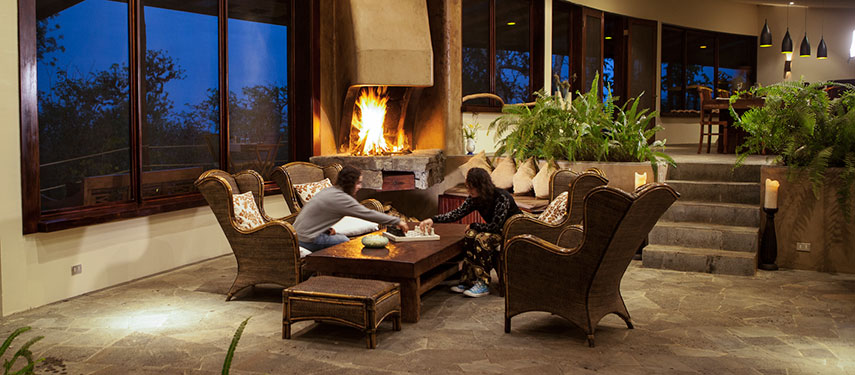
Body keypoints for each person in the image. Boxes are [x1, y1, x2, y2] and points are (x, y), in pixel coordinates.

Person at [418, 167, 521, 297]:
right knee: (470, 234)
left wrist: (473, 225)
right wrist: (432, 220)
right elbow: (456, 214)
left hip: (511, 231)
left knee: (481, 239)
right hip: (495, 231)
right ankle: (468, 279)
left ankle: (483, 283)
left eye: (471, 187)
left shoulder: (501, 198)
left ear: (481, 186)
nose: (468, 191)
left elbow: (495, 226)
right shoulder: (475, 198)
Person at [295, 165, 408, 252]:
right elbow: (368, 214)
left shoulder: (330, 191)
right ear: (350, 183)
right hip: (308, 239)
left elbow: (317, 214)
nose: (360, 186)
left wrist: (325, 229)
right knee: (344, 241)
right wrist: (397, 221)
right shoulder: (342, 199)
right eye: (358, 183)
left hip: (298, 235)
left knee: (339, 237)